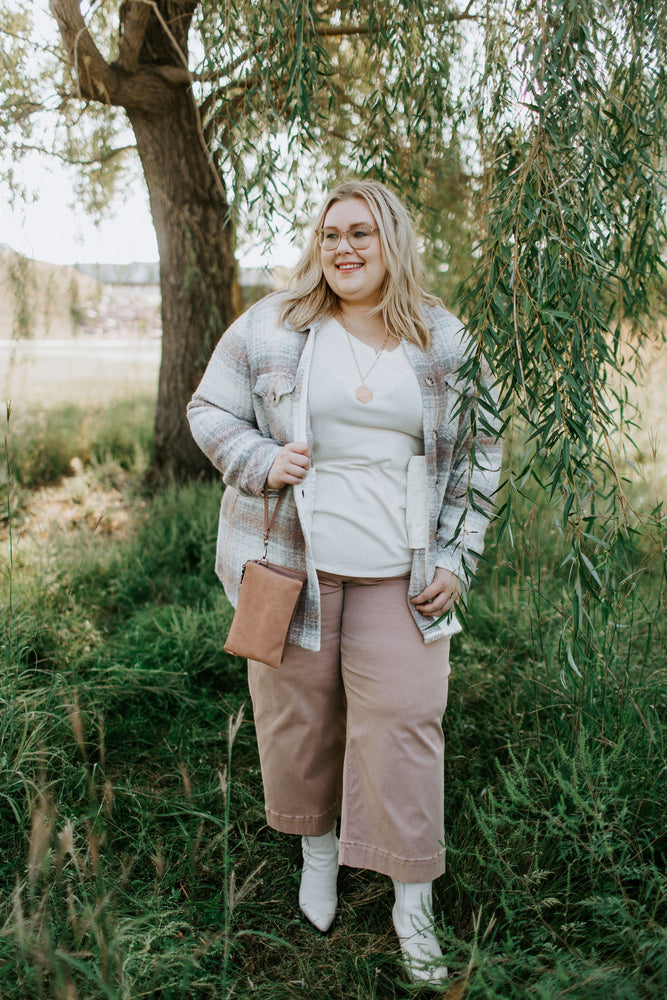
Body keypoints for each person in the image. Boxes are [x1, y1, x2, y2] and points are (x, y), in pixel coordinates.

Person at [187, 179, 502, 984]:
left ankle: (410, 897)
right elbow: (208, 409)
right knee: (296, 717)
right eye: (331, 235)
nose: (344, 249)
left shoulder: (443, 340)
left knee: (403, 722)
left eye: (360, 233)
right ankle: (318, 851)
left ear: (391, 241)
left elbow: (479, 456)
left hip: (403, 576)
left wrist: (458, 561)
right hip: (288, 566)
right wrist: (262, 460)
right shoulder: (274, 325)